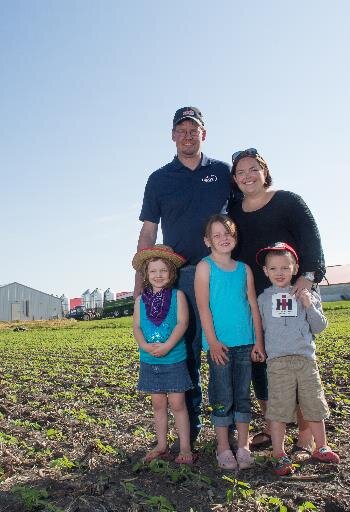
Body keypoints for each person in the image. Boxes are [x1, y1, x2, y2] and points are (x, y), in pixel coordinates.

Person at [135, 107, 231, 448]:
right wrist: (139, 286)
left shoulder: (222, 172)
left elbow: (240, 219)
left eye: (194, 130)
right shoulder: (159, 179)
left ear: (204, 134)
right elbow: (149, 231)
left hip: (219, 272)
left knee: (222, 348)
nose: (188, 135)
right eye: (182, 130)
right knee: (186, 352)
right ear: (173, 135)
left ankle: (227, 428)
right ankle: (191, 432)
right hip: (182, 275)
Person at [228, 148, 325, 455]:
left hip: (293, 294)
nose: (247, 176)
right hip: (257, 298)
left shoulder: (288, 201)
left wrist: (307, 278)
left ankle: (305, 436)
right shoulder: (233, 210)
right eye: (241, 172)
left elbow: (312, 240)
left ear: (264, 172)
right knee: (263, 363)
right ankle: (275, 429)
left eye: (253, 169)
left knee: (296, 363)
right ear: (234, 179)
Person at [256, 242, 340, 475]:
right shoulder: (263, 299)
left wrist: (308, 304)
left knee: (313, 403)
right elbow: (259, 327)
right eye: (273, 268)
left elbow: (320, 326)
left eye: (285, 267)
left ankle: (321, 446)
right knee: (279, 408)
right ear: (266, 271)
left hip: (305, 360)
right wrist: (259, 347)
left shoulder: (308, 293)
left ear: (295, 269)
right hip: (278, 362)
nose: (280, 273)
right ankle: (279, 453)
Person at [194, 214, 265, 470]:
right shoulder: (205, 267)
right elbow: (203, 307)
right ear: (207, 241)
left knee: (243, 394)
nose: (223, 239)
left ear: (235, 237)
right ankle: (223, 446)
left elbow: (253, 307)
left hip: (246, 342)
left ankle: (243, 445)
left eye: (228, 233)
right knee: (222, 394)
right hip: (219, 346)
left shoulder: (244, 269)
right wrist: (212, 341)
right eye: (217, 235)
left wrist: (258, 341)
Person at [132, 244, 194, 465]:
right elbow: (137, 327)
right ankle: (161, 445)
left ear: (171, 273)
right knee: (158, 404)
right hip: (149, 360)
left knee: (178, 404)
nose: (158, 275)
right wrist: (144, 346)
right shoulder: (141, 300)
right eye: (153, 271)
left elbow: (182, 323)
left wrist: (167, 345)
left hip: (173, 358)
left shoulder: (178, 296)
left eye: (163, 271)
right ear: (146, 275)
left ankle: (185, 446)